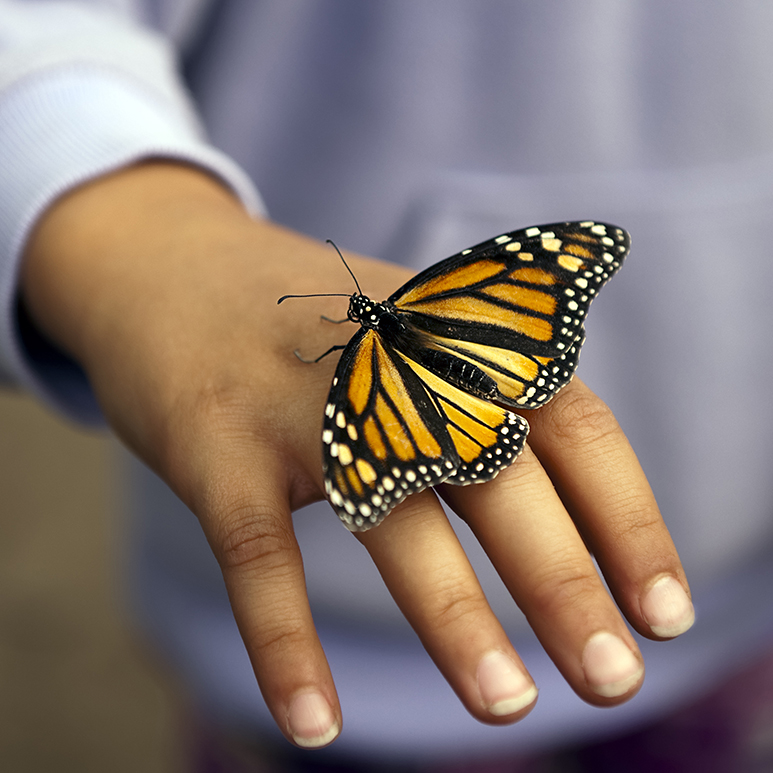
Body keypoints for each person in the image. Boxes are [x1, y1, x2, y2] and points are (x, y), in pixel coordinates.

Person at [2, 1, 772, 769]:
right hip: (367, 668)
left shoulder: (367, 358)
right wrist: (127, 219)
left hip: (741, 600)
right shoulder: (414, 319)